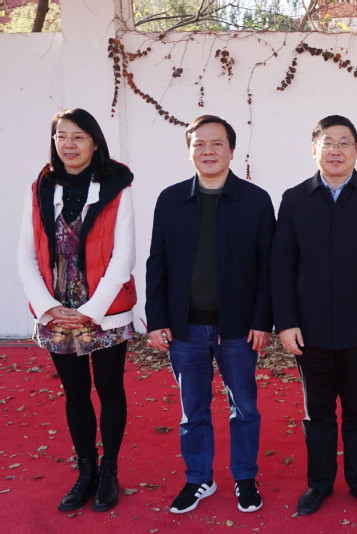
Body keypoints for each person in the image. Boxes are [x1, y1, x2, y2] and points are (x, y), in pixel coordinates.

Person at [271, 115, 357, 516]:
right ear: (315, 150)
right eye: (328, 142)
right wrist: (286, 322)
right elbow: (281, 265)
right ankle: (320, 484)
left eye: (345, 143)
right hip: (310, 330)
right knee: (318, 413)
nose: (336, 150)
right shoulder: (295, 199)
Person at [145, 115, 274, 514]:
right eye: (199, 144)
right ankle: (199, 477)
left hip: (238, 328)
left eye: (217, 143)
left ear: (232, 151)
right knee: (193, 410)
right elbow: (157, 262)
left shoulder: (255, 200)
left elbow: (268, 266)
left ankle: (245, 477)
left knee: (244, 407)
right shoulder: (171, 200)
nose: (208, 151)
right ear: (189, 152)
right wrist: (157, 318)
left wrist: (261, 320)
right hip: (185, 327)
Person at [17, 108, 136, 513]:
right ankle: (86, 469)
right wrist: (48, 307)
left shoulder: (117, 185)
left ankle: (109, 471)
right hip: (56, 312)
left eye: (78, 136)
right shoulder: (40, 187)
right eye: (61, 136)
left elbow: (123, 256)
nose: (68, 144)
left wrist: (92, 310)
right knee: (75, 392)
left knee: (110, 389)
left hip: (105, 308)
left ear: (94, 142)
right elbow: (26, 255)